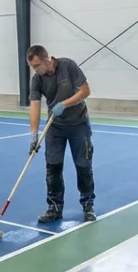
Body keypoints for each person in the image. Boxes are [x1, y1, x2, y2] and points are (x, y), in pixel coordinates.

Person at [26, 44, 97, 224]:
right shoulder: (37, 80)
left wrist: (64, 104)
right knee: (53, 167)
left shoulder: (68, 66)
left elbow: (85, 91)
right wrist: (34, 134)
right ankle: (54, 208)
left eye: (37, 66)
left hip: (78, 124)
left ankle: (88, 205)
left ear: (46, 60)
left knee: (83, 166)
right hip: (55, 127)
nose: (35, 70)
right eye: (33, 67)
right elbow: (34, 106)